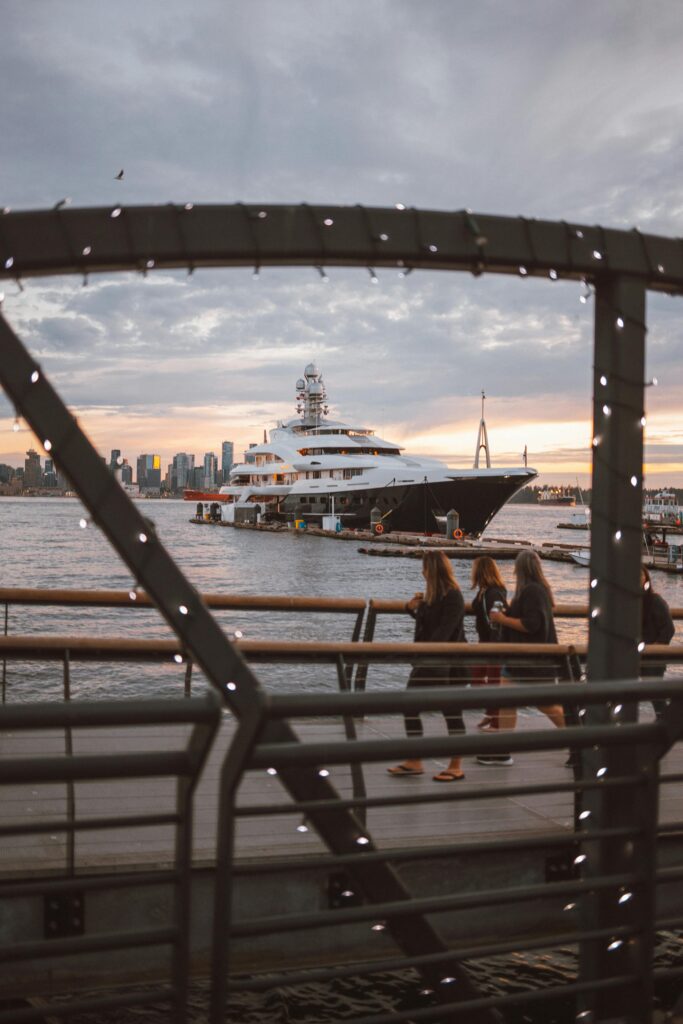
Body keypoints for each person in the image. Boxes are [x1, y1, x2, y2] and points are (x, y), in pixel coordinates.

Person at [388, 550, 467, 782]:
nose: (422, 572)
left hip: (449, 665)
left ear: (431, 570)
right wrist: (411, 608)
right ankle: (415, 759)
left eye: (424, 568)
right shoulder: (433, 596)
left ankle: (456, 765)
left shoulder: (453, 596)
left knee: (451, 713)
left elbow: (444, 631)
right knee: (410, 706)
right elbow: (430, 625)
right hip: (429, 662)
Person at [481, 550, 565, 766]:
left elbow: (531, 625)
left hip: (533, 662)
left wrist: (501, 618)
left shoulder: (532, 592)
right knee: (507, 703)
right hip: (522, 661)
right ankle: (503, 751)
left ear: (521, 569)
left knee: (549, 707)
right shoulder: (537, 591)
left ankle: (582, 742)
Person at [470, 556, 507, 731]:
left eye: (474, 569)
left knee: (489, 682)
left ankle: (496, 719)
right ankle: (492, 712)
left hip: (493, 645)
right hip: (484, 643)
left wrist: (494, 647)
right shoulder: (485, 591)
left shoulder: (495, 592)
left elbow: (498, 620)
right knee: (476, 678)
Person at [641, 566, 675, 719]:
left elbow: (669, 628)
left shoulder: (655, 601)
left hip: (652, 658)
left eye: (640, 575)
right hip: (634, 656)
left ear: (646, 578)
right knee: (622, 690)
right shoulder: (627, 603)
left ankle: (665, 722)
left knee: (654, 693)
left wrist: (656, 646)